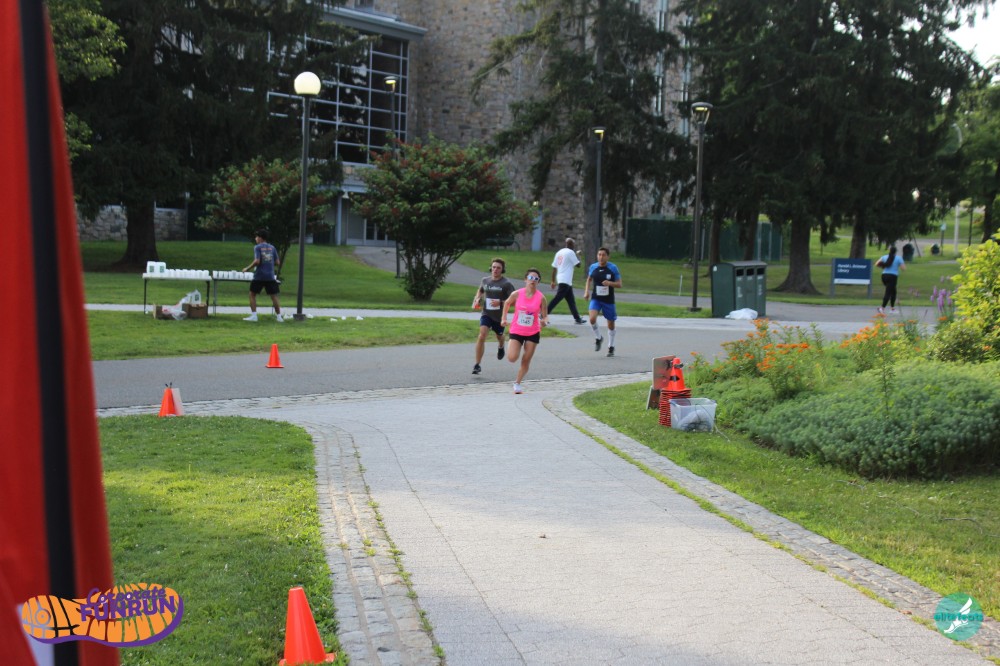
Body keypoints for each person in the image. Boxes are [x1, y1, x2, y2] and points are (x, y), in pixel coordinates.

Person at [501, 268, 549, 394]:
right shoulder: (517, 294)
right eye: (530, 278)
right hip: (517, 330)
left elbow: (545, 316)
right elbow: (507, 303)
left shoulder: (541, 298)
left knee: (526, 359)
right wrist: (504, 318)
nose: (533, 281)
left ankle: (517, 383)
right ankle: (511, 345)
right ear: (525, 280)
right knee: (512, 358)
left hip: (533, 332)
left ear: (538, 282)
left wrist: (544, 321)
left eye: (536, 279)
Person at [471, 257, 515, 375]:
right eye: (494, 267)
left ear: (502, 270)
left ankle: (501, 346)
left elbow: (514, 301)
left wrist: (500, 303)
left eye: (498, 268)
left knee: (499, 336)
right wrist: (477, 298)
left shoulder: (506, 284)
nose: (495, 270)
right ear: (491, 268)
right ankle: (477, 365)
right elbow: (481, 290)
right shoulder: (485, 280)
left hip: (499, 317)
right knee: (482, 335)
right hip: (486, 314)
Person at [583, 247, 622, 357]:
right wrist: (586, 292)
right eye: (599, 255)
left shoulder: (613, 268)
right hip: (596, 298)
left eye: (603, 255)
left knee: (611, 324)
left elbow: (619, 284)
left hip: (608, 300)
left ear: (608, 257)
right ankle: (599, 338)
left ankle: (611, 346)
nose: (601, 257)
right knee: (592, 319)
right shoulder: (593, 267)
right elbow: (589, 279)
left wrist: (610, 283)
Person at [242, 228, 284, 322]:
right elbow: (277, 262)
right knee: (274, 296)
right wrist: (268, 263)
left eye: (256, 237)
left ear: (260, 238)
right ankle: (279, 317)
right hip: (270, 276)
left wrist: (247, 268)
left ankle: (254, 316)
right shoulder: (272, 247)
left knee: (252, 294)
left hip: (259, 276)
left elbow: (257, 261)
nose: (255, 238)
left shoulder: (257, 247)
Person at [548, 237, 585, 324]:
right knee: (557, 298)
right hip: (565, 280)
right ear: (571, 244)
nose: (574, 246)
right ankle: (543, 313)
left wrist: (553, 281)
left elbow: (554, 268)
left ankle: (577, 318)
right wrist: (579, 255)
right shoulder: (570, 252)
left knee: (571, 300)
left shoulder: (559, 252)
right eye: (573, 244)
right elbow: (578, 265)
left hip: (562, 279)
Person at [876, 245, 906, 314]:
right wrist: (898, 265)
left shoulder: (884, 257)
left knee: (893, 292)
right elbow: (903, 268)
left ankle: (892, 309)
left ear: (889, 251)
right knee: (888, 292)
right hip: (892, 276)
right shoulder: (898, 258)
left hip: (884, 276)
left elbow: (877, 264)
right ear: (896, 252)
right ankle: (882, 308)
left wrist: (884, 266)